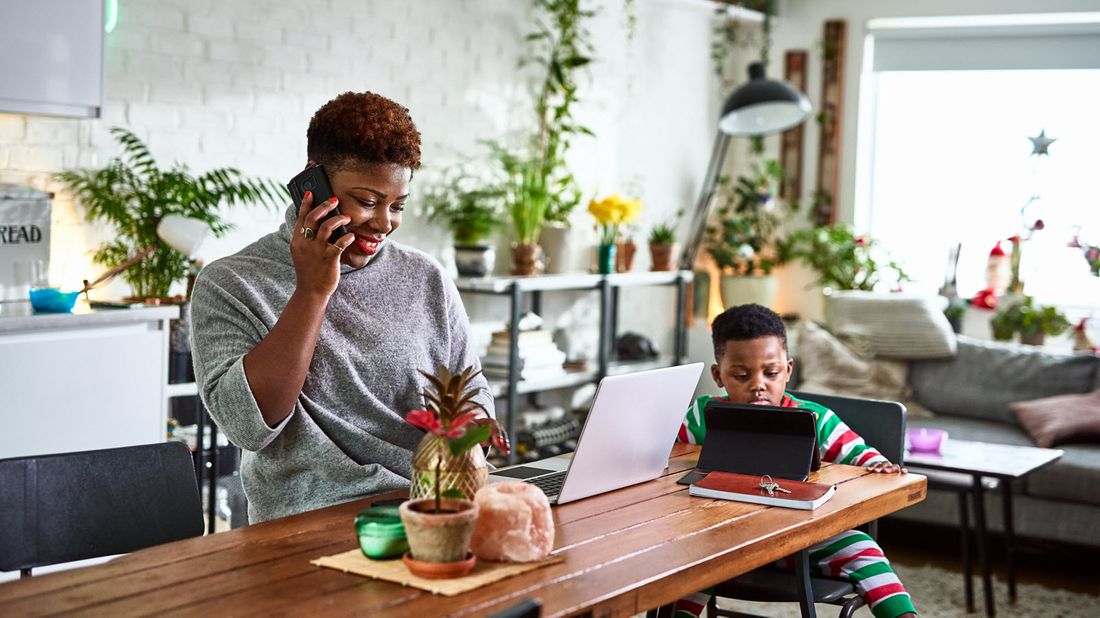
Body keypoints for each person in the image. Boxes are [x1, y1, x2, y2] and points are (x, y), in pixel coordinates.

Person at [189, 91, 494, 524]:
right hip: (312, 522)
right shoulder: (232, 283)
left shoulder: (424, 277)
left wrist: (468, 437)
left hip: (435, 504)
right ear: (313, 186)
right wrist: (312, 291)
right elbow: (249, 426)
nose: (385, 223)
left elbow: (472, 386)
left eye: (398, 205)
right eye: (367, 202)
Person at [673, 304, 917, 618]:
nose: (758, 384)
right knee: (681, 564)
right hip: (721, 543)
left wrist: (878, 465)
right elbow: (667, 454)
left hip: (800, 544)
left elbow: (864, 458)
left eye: (771, 373)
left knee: (863, 549)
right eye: (741, 375)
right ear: (719, 376)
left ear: (788, 370)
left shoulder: (816, 419)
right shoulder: (702, 414)